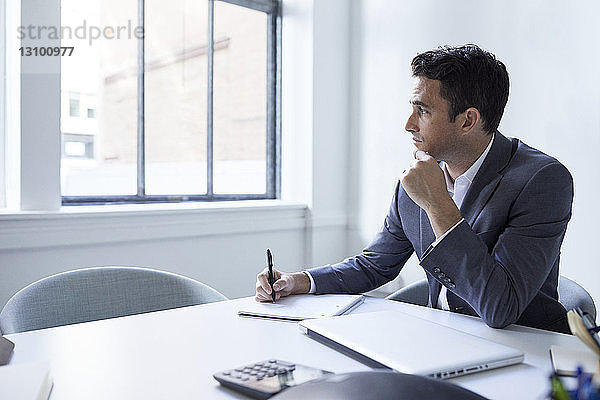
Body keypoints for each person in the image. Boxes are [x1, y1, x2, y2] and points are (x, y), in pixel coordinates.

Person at [255, 44, 574, 334]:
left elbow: (500, 306)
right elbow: (374, 265)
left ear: (467, 120)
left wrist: (438, 203)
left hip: (528, 350)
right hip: (446, 339)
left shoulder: (542, 180)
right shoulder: (418, 179)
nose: (409, 124)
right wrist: (299, 282)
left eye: (422, 110)